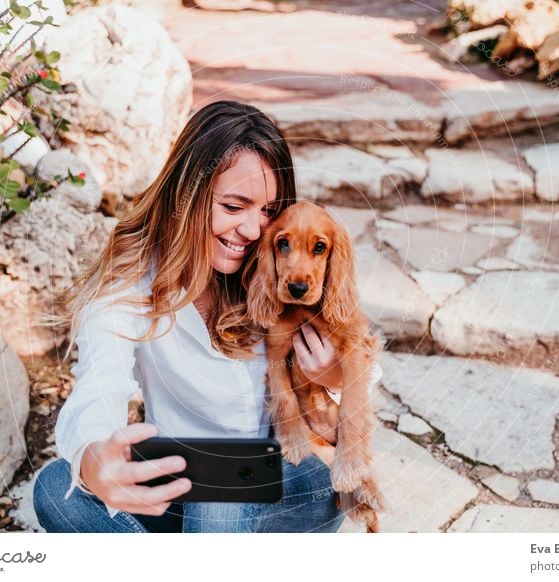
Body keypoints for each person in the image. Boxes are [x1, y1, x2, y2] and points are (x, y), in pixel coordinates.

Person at [32, 100, 382, 533]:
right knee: (55, 488)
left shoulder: (276, 271)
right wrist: (93, 458)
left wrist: (332, 378)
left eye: (267, 212)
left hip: (290, 481)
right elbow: (100, 386)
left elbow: (360, 354)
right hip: (188, 480)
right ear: (187, 196)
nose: (254, 231)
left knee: (220, 487)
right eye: (234, 207)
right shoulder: (133, 288)